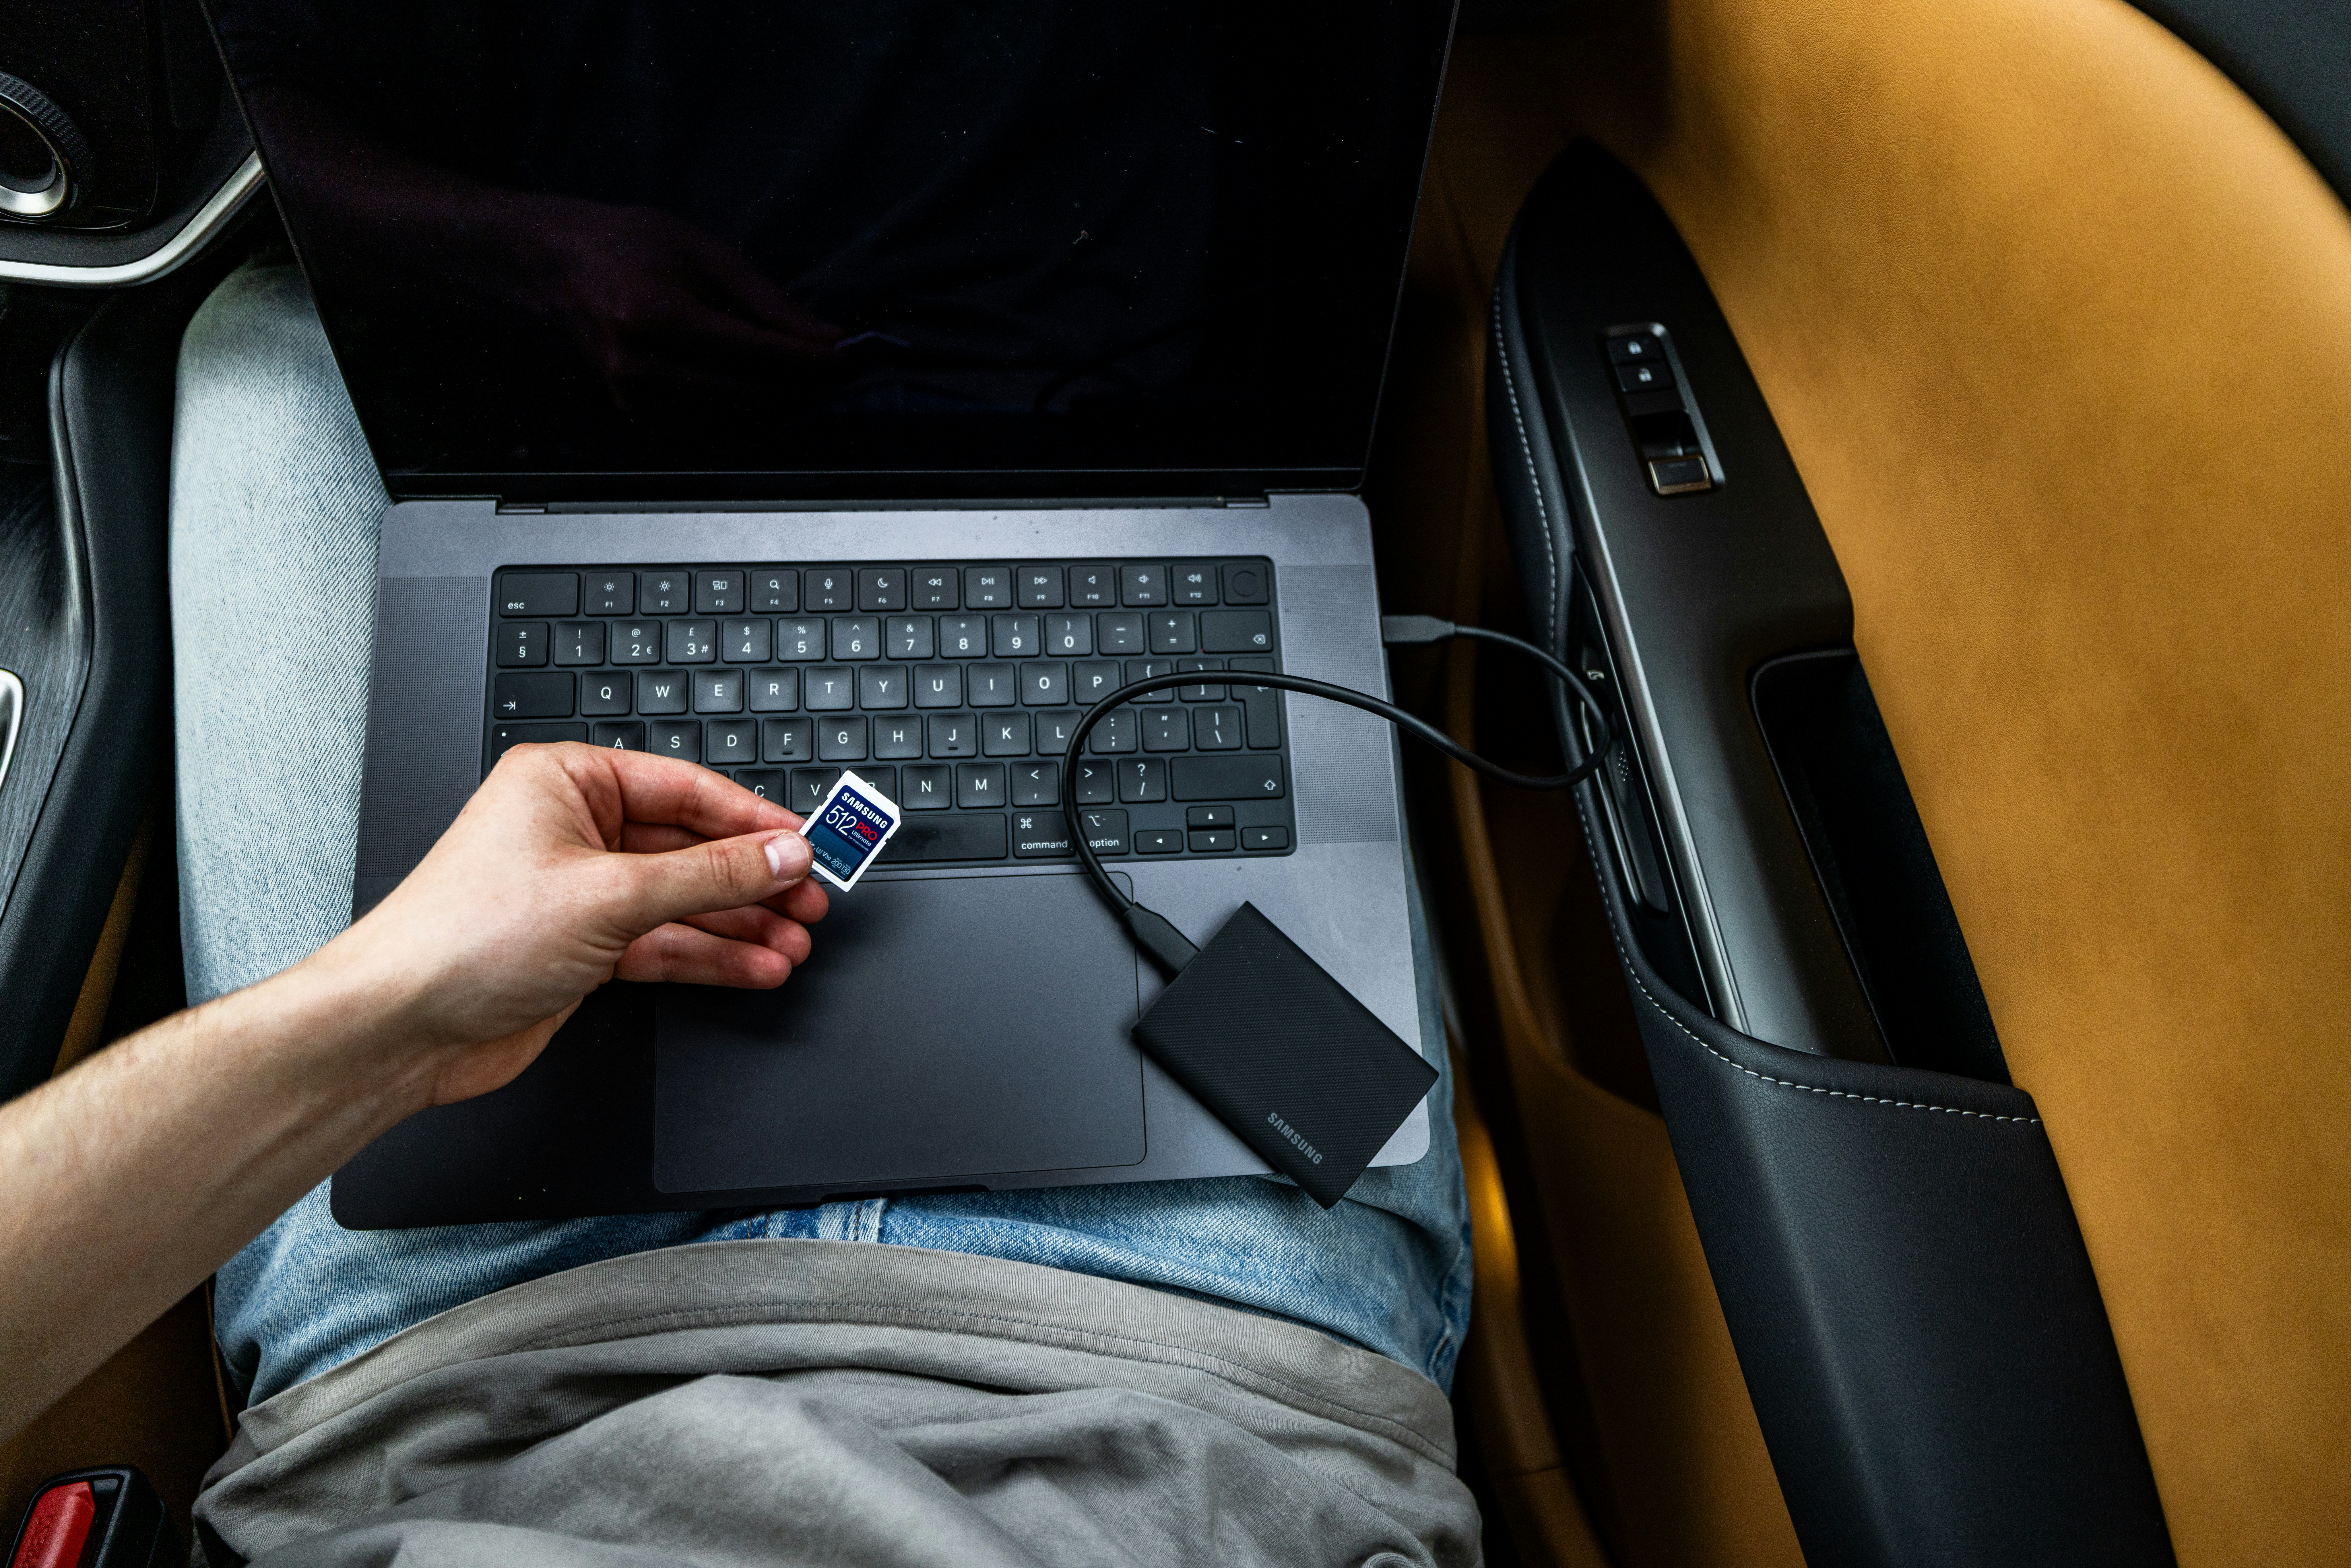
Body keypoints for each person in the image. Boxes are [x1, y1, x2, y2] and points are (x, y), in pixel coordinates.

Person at [0, 261, 1479, 1567]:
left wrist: (396, 1011)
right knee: (1218, 361)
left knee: (277, 347)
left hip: (450, 1383)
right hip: (1208, 1379)